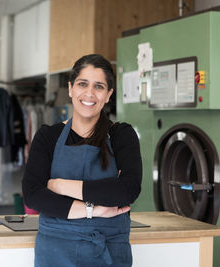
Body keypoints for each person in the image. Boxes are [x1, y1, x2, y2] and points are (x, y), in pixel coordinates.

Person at [22, 54, 142, 267]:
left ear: (108, 95)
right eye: (82, 84)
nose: (89, 93)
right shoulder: (48, 136)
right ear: (70, 89)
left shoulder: (122, 135)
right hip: (55, 250)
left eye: (99, 86)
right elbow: (33, 195)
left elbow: (127, 190)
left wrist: (59, 185)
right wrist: (93, 210)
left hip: (109, 249)